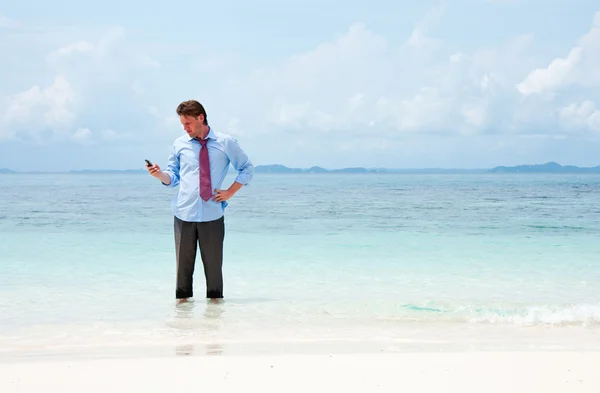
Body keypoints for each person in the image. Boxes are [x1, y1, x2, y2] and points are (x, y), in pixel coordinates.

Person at [147, 100, 254, 304]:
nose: (185, 128)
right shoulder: (179, 144)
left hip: (212, 213)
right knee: (182, 273)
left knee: (214, 272)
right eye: (182, 124)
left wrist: (231, 191)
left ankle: (214, 320)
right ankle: (182, 321)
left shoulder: (226, 142)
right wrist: (159, 175)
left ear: (201, 118)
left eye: (188, 123)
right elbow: (173, 178)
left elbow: (247, 168)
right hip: (183, 213)